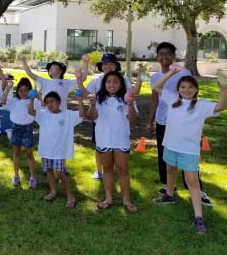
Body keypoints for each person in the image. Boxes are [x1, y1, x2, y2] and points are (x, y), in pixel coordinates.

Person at [152, 69, 227, 234]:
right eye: (183, 87)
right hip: (170, 146)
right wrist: (170, 73)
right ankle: (169, 195)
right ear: (178, 89)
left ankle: (198, 218)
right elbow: (156, 86)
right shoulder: (172, 99)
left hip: (189, 151)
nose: (186, 90)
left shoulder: (202, 105)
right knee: (170, 171)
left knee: (192, 183)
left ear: (196, 90)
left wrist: (224, 90)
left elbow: (221, 106)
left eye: (190, 87)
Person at [147, 42, 212, 206]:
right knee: (166, 157)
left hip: (185, 123)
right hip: (164, 120)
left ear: (174, 56)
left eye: (168, 53)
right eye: (161, 53)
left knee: (188, 156)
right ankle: (169, 188)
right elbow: (155, 98)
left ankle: (196, 189)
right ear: (157, 57)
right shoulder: (155, 77)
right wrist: (151, 120)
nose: (164, 57)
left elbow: (192, 93)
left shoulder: (184, 72)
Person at [79, 53, 142, 180]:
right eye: (105, 64)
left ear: (116, 66)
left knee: (117, 147)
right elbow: (85, 92)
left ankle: (117, 173)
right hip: (100, 116)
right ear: (101, 66)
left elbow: (133, 92)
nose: (107, 66)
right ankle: (99, 170)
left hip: (119, 117)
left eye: (111, 64)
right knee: (99, 144)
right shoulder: (97, 80)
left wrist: (140, 76)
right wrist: (79, 80)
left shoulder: (123, 80)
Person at [88, 71, 138, 213]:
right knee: (107, 169)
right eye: (108, 81)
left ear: (121, 84)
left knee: (123, 170)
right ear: (104, 84)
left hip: (120, 139)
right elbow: (92, 116)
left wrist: (130, 104)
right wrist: (92, 105)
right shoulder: (98, 98)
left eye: (115, 81)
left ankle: (126, 200)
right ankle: (108, 198)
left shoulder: (127, 97)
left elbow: (133, 118)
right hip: (104, 139)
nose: (112, 84)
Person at [28, 91, 85, 207]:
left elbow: (81, 114)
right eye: (47, 102)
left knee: (59, 173)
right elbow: (30, 111)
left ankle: (70, 196)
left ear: (59, 102)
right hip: (46, 149)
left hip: (60, 150)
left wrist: (80, 100)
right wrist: (31, 100)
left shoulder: (68, 115)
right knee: (49, 170)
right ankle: (53, 191)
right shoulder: (43, 115)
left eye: (52, 101)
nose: (50, 104)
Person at [1, 78, 37, 188]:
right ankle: (16, 175)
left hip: (27, 128)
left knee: (29, 153)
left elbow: (35, 112)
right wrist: (7, 88)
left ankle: (32, 177)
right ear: (17, 91)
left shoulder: (34, 101)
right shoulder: (14, 101)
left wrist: (34, 97)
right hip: (16, 128)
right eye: (20, 91)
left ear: (30, 90)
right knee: (16, 152)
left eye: (26, 90)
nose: (23, 93)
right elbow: (3, 101)